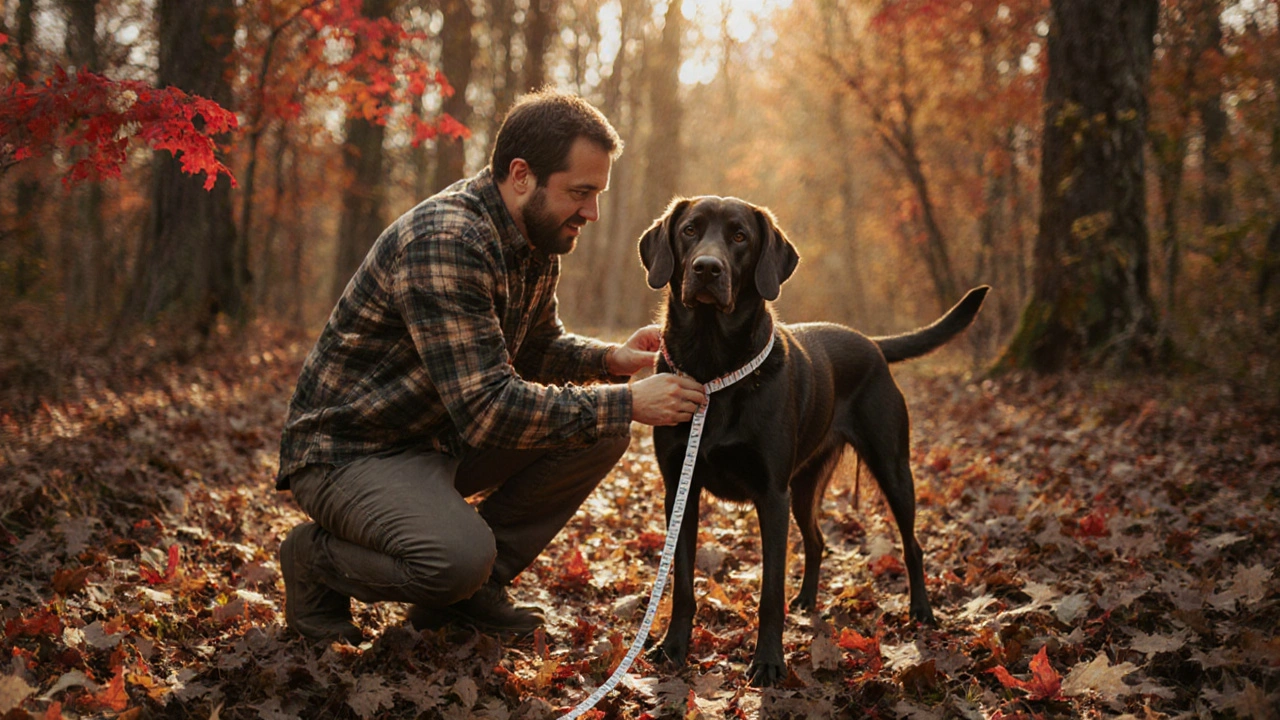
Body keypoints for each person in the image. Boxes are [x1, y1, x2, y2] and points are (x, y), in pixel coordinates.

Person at [275, 89, 707, 643]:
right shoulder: (447, 240)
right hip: (350, 451)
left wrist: (610, 360)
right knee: (454, 558)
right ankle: (315, 560)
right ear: (522, 175)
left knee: (600, 432)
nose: (592, 212)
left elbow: (536, 348)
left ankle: (465, 598)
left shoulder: (535, 237)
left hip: (437, 436)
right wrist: (627, 399)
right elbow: (489, 408)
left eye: (597, 194)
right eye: (580, 192)